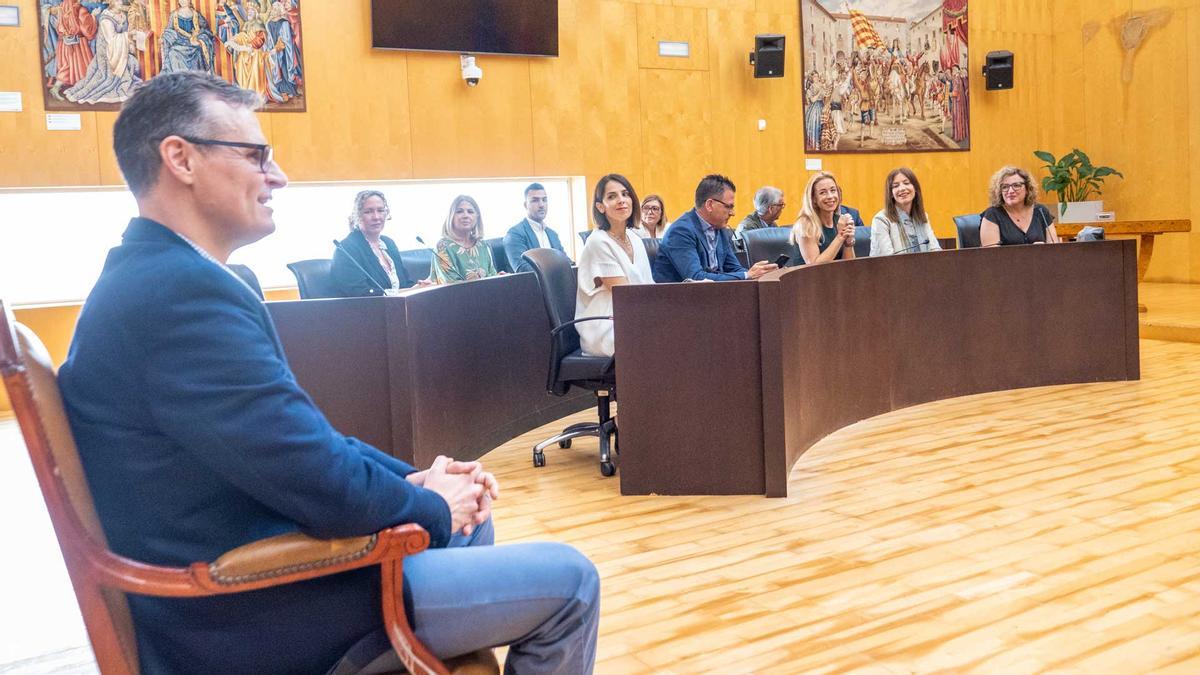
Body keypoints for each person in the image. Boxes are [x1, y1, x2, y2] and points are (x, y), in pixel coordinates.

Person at [56, 71, 599, 674]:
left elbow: (310, 446)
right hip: (250, 608)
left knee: (471, 518)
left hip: (260, 566)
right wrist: (434, 506)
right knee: (573, 582)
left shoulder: (158, 279)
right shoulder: (178, 296)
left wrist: (417, 481)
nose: (279, 176)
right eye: (257, 154)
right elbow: (316, 478)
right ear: (180, 158)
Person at [575, 174, 655, 357]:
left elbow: (650, 288)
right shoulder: (598, 242)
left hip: (633, 318)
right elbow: (626, 296)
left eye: (625, 194)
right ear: (600, 206)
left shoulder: (635, 240)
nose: (621, 200)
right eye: (612, 196)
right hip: (606, 326)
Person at [652, 174, 778, 282]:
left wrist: (758, 274)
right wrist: (746, 275)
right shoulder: (681, 231)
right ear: (710, 205)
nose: (732, 213)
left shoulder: (721, 229)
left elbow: (734, 268)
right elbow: (696, 278)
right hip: (676, 302)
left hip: (712, 298)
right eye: (728, 207)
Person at [332, 190, 422, 296]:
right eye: (368, 211)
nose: (376, 217)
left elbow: (404, 284)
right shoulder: (346, 249)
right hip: (368, 310)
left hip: (397, 309)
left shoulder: (389, 244)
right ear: (357, 215)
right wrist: (401, 293)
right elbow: (358, 293)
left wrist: (419, 288)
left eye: (380, 210)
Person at [980, 166, 1060, 246]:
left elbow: (1054, 248)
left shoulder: (1041, 211)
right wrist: (1031, 251)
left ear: (1027, 189)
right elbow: (992, 255)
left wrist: (1043, 248)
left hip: (1039, 258)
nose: (1010, 191)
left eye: (1016, 185)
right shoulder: (992, 215)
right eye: (1005, 187)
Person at [870, 167, 942, 255]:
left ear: (915, 188)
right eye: (896, 186)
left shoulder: (922, 216)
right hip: (894, 268)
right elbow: (887, 260)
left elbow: (935, 251)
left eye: (906, 183)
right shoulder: (881, 220)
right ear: (891, 194)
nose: (902, 188)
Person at [792, 171, 859, 265]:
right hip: (809, 278)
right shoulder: (805, 225)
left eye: (833, 190)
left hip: (836, 277)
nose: (830, 196)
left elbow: (849, 267)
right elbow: (814, 266)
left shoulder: (840, 221)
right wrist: (840, 237)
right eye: (823, 193)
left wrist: (848, 243)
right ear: (813, 198)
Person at [430, 195, 498, 283]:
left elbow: (492, 277)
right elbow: (450, 284)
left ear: (477, 217)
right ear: (451, 216)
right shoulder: (443, 246)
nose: (466, 215)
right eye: (459, 211)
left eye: (470, 212)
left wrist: (500, 277)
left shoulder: (483, 245)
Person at [503, 182, 565, 274]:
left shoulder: (553, 234)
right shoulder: (515, 234)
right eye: (535, 200)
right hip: (531, 287)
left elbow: (566, 262)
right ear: (525, 205)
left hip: (558, 286)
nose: (541, 205)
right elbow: (522, 269)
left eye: (544, 200)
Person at [159, 0, 216, 74]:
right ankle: (179, 80)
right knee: (172, 53)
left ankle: (195, 80)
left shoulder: (196, 14)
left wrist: (198, 40)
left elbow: (206, 31)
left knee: (198, 51)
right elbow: (169, 30)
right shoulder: (174, 15)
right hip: (179, 44)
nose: (183, 1)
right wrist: (164, 37)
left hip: (193, 45)